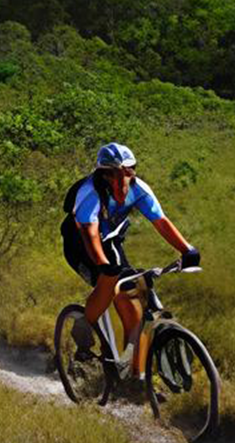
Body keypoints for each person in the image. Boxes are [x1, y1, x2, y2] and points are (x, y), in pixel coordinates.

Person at [62, 142, 198, 372]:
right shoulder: (90, 192)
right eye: (115, 173)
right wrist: (103, 265)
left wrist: (187, 250)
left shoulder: (139, 189)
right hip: (80, 244)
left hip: (110, 241)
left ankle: (132, 374)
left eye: (128, 171)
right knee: (108, 281)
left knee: (132, 307)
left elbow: (161, 221)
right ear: (103, 174)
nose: (124, 178)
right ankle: (84, 324)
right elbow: (89, 232)